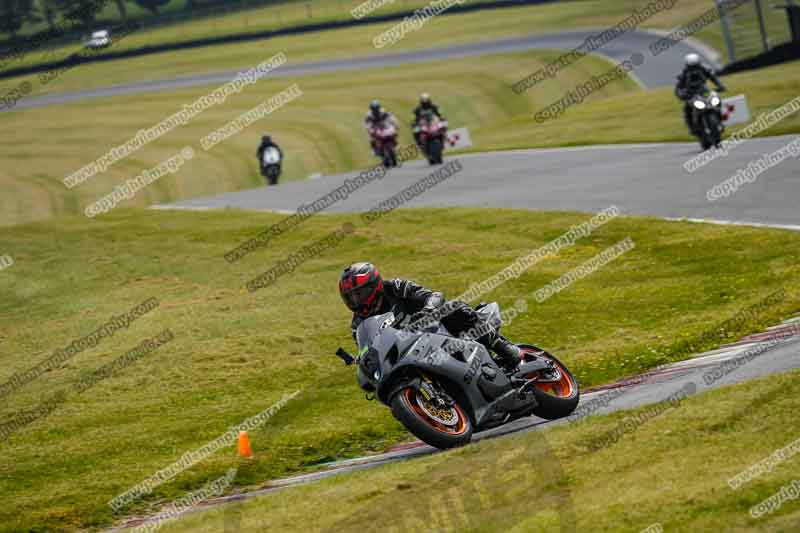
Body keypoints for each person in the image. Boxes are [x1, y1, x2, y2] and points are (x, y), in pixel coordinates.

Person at [338, 262, 522, 371]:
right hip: (409, 352)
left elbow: (433, 295)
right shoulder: (357, 325)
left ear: (374, 286)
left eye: (359, 293)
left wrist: (428, 310)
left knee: (452, 307)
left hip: (435, 329)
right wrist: (365, 361)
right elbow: (368, 350)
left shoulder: (394, 287)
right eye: (350, 296)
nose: (356, 300)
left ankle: (502, 346)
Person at [675, 53, 726, 134]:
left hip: (704, 92)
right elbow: (678, 87)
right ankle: (691, 127)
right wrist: (681, 94)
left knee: (716, 99)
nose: (694, 69)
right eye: (692, 67)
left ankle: (719, 120)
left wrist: (720, 86)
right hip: (691, 94)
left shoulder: (703, 69)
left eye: (695, 66)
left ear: (698, 63)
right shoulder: (683, 73)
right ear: (687, 65)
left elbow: (712, 77)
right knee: (686, 108)